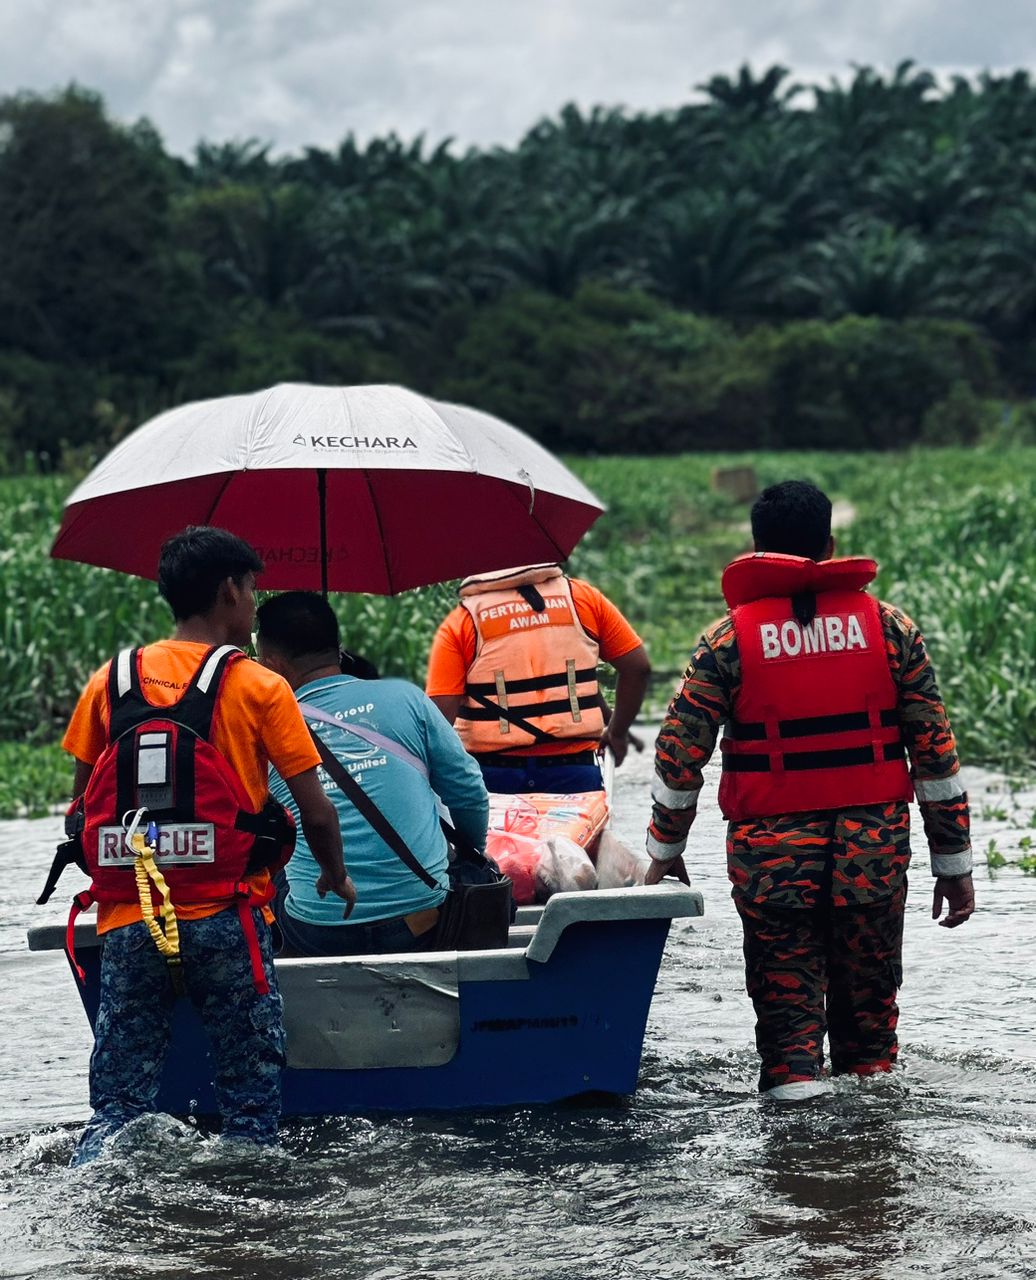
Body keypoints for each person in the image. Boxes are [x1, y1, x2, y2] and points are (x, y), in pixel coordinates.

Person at [645, 480, 974, 1101]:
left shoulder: (727, 642)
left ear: (757, 547)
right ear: (830, 544)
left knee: (789, 1038)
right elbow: (936, 755)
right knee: (871, 1040)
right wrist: (954, 866)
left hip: (771, 866)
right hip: (873, 858)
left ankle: (798, 1163)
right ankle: (870, 1162)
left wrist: (663, 851)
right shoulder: (891, 630)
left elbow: (679, 759)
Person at [60, 527, 355, 1163]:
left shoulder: (109, 682)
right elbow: (316, 810)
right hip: (228, 921)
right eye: (252, 590)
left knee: (117, 1110)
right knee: (250, 1112)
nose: (254, 604)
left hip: (131, 920)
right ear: (229, 590)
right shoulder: (260, 687)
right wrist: (335, 875)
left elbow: (79, 811)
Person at [257, 591, 489, 956]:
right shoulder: (406, 698)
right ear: (338, 648)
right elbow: (468, 791)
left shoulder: (264, 729)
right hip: (421, 920)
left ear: (271, 665)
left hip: (316, 930)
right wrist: (472, 851)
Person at [426, 562, 651, 794]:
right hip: (575, 772)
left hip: (492, 778)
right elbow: (637, 668)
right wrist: (617, 732)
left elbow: (438, 720)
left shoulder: (462, 621)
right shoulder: (582, 599)